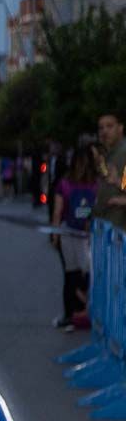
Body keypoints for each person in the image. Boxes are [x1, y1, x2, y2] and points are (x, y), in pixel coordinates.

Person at [51, 144, 100, 330]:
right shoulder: (96, 183)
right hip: (87, 235)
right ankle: (82, 310)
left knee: (70, 273)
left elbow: (58, 212)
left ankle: (70, 314)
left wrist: (55, 235)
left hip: (68, 233)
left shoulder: (64, 183)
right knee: (87, 272)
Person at [97, 112, 126, 183]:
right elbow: (107, 176)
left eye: (109, 126)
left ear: (120, 128)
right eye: (101, 128)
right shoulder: (109, 153)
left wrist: (117, 181)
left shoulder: (124, 152)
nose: (104, 131)